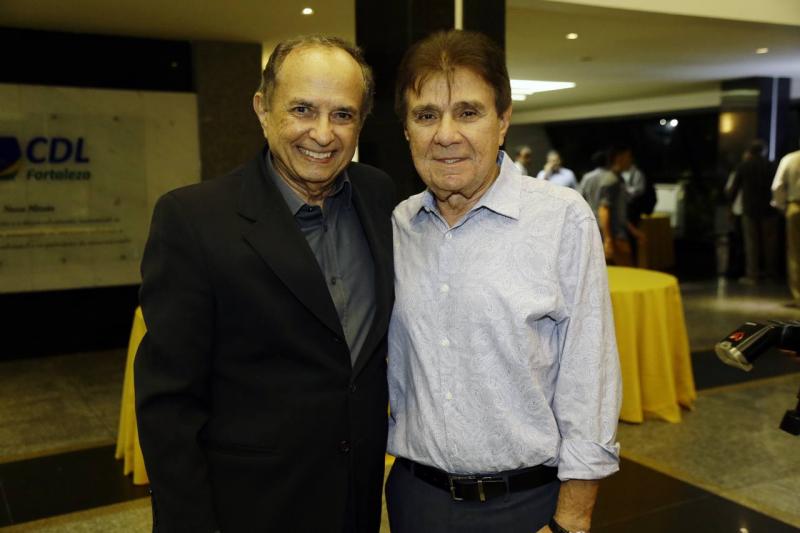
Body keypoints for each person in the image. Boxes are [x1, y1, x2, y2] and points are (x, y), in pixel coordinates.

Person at [134, 35, 395, 533]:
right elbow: (169, 404)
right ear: (262, 109)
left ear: (361, 122)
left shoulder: (377, 195)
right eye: (302, 109)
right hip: (249, 508)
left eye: (342, 114)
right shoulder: (193, 219)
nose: (323, 133)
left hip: (356, 501)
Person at [386, 29, 621, 533]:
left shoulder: (561, 218)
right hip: (415, 501)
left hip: (526, 506)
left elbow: (590, 378)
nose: (446, 134)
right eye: (426, 115)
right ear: (406, 129)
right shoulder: (399, 225)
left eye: (468, 112)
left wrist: (572, 520)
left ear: (503, 121)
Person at [728, 141, 780, 284]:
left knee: (751, 244)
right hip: (769, 210)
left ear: (750, 152)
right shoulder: (772, 166)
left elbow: (734, 189)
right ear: (763, 151)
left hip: (749, 209)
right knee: (770, 244)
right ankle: (771, 273)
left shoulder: (743, 166)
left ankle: (752, 274)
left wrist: (730, 206)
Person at [772, 147, 800, 307]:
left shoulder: (789, 159)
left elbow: (778, 186)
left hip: (795, 206)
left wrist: (782, 206)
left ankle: (799, 296)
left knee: (795, 253)